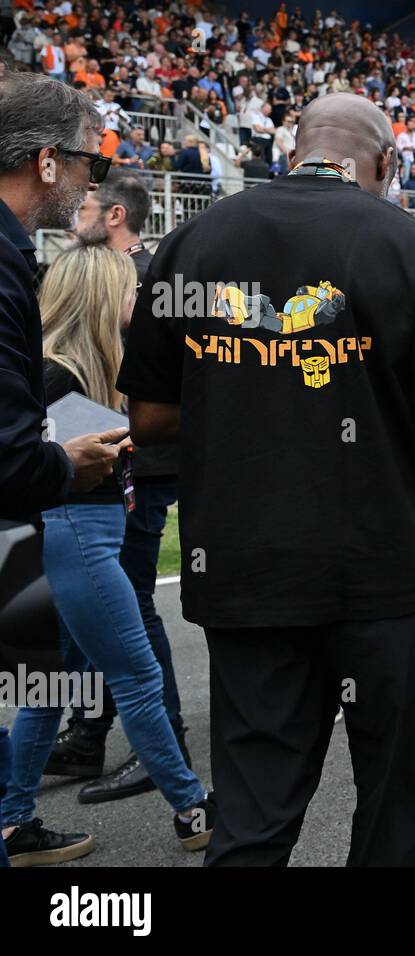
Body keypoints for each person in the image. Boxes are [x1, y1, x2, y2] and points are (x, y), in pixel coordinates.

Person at [117, 92, 415, 865]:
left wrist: (247, 391)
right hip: (382, 576)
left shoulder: (191, 241)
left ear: (295, 149)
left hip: (248, 571)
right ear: (385, 163)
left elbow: (149, 417)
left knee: (252, 822)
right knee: (391, 813)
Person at [3, 246, 215, 866]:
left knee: (46, 689)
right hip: (72, 538)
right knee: (137, 675)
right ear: (100, 298)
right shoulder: (57, 377)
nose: (142, 300)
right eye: (131, 290)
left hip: (53, 539)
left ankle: (14, 825)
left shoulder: (71, 370)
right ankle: (192, 810)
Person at [0, 70, 130, 869]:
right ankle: (185, 795)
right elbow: (12, 450)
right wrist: (67, 463)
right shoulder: (14, 262)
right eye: (89, 162)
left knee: (43, 673)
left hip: (35, 538)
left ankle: (16, 817)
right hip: (42, 520)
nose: (90, 177)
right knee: (123, 664)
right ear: (49, 162)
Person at [42, 168, 189, 805]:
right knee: (77, 617)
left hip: (135, 462)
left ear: (114, 218)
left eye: (86, 208)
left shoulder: (147, 276)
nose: (74, 213)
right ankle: (88, 730)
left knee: (128, 601)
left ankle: (166, 742)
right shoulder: (97, 268)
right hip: (89, 458)